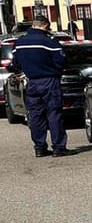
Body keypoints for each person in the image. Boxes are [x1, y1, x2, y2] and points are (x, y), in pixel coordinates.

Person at [14, 16, 73, 157]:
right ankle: (59, 147)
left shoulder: (20, 42)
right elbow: (61, 60)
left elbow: (15, 64)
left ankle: (39, 147)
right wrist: (56, 70)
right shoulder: (49, 41)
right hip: (49, 81)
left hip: (32, 82)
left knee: (35, 115)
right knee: (54, 113)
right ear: (45, 25)